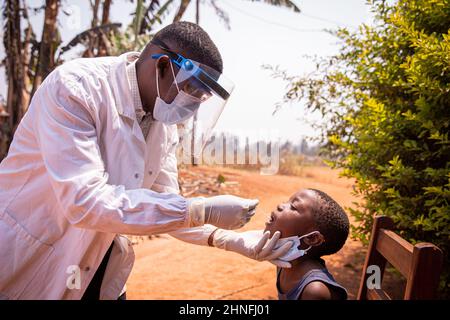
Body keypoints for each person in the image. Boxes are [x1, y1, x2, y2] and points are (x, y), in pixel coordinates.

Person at [0, 22, 293, 300]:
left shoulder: (162, 124)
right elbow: (85, 202)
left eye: (201, 99)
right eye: (192, 91)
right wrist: (200, 209)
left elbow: (164, 203)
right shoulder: (77, 88)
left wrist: (226, 239)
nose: (192, 107)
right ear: (163, 66)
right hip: (33, 256)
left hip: (97, 265)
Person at [262, 188, 350, 300]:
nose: (280, 205)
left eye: (293, 207)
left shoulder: (314, 291)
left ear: (312, 238)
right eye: (287, 201)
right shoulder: (283, 263)